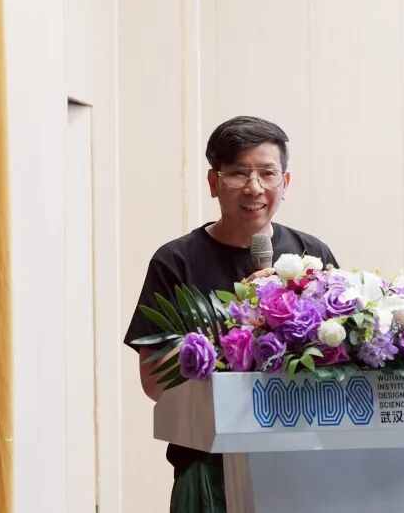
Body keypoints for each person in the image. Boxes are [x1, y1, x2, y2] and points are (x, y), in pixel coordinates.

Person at [123, 115, 338, 512]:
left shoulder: (312, 255)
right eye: (239, 173)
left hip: (300, 463)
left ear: (285, 183)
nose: (254, 187)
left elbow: (340, 359)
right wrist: (242, 325)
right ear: (213, 182)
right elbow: (153, 381)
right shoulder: (176, 261)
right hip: (209, 468)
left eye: (267, 173)